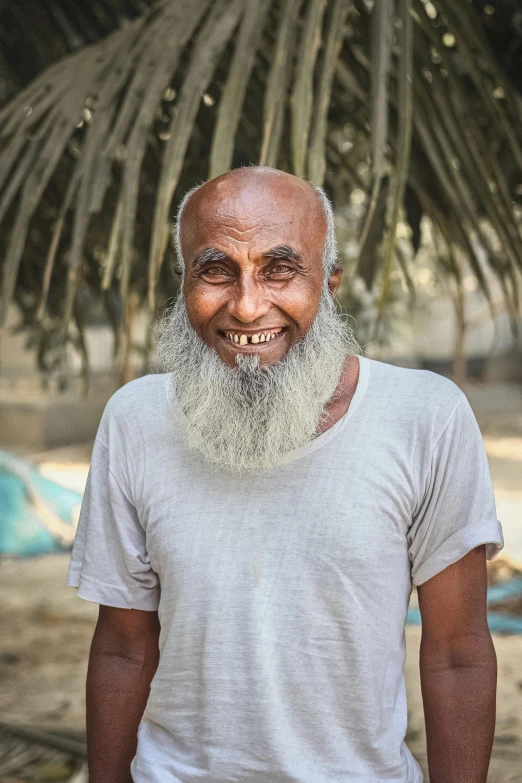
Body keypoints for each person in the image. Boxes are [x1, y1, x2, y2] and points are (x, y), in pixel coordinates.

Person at [67, 166, 504, 783]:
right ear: (184, 281)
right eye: (217, 270)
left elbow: (458, 654)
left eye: (280, 269)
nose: (247, 306)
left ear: (329, 283)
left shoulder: (426, 417)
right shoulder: (135, 421)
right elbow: (122, 646)